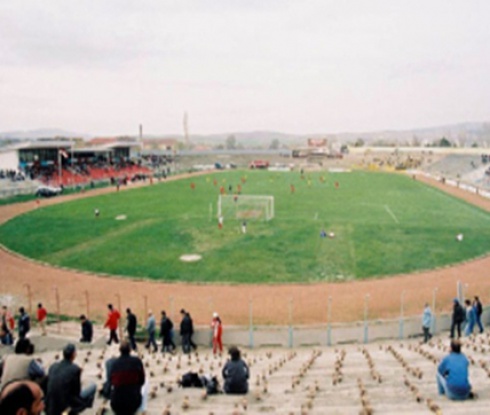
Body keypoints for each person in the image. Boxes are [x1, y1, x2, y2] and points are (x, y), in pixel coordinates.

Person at [46, 343, 96, 415]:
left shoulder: (53, 366)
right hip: (65, 404)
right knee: (93, 386)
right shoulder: (75, 369)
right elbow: (76, 392)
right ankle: (81, 409)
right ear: (73, 354)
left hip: (51, 404)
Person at [110, 340, 145, 415]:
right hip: (133, 403)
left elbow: (111, 382)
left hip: (117, 405)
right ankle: (143, 410)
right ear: (130, 350)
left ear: (119, 350)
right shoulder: (137, 361)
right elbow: (142, 380)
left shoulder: (114, 363)